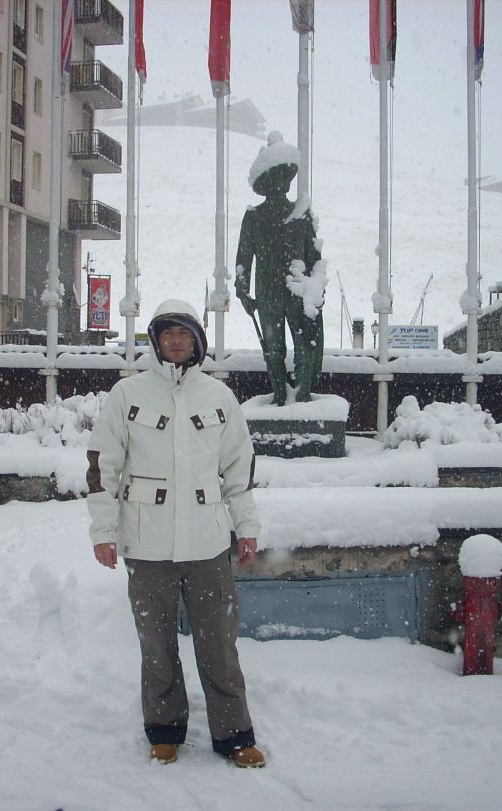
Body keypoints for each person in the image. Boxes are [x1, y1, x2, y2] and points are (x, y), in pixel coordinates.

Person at [85, 298, 266, 768]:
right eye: (167, 334)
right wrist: (103, 532)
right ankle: (164, 730)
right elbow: (102, 468)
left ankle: (234, 734)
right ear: (155, 341)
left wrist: (245, 526)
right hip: (147, 545)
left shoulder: (219, 398)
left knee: (219, 646)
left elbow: (238, 471)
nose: (176, 341)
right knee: (157, 646)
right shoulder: (127, 395)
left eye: (184, 334)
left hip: (207, 545)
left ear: (196, 342)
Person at [235, 131, 324, 405]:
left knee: (304, 346)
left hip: (297, 289)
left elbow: (315, 258)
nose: (282, 183)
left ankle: (303, 394)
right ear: (267, 182)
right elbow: (243, 258)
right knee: (273, 349)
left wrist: (317, 288)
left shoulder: (301, 214)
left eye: (285, 176)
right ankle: (280, 396)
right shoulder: (254, 216)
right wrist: (242, 291)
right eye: (276, 176)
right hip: (267, 292)